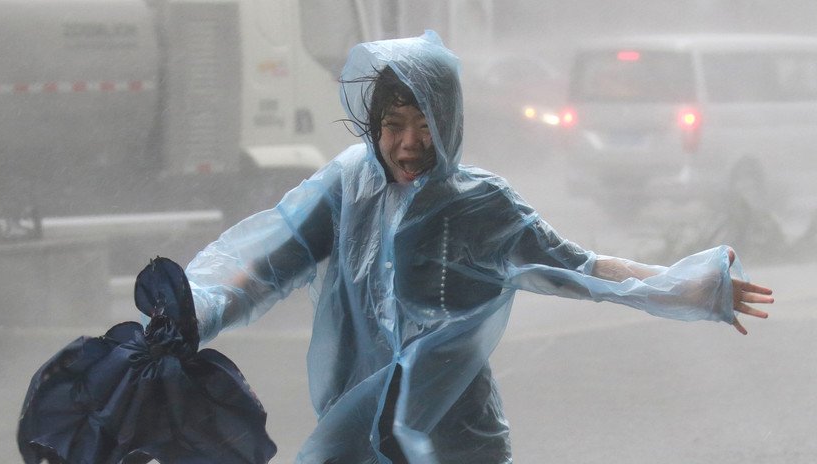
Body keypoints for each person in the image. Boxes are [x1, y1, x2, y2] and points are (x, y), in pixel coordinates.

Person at [184, 31, 773, 464]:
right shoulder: (350, 188)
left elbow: (581, 268)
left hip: (454, 437)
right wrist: (197, 314)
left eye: (424, 124)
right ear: (373, 127)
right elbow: (267, 268)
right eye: (393, 125)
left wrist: (687, 285)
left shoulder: (481, 205)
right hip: (360, 432)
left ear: (448, 122)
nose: (409, 144)